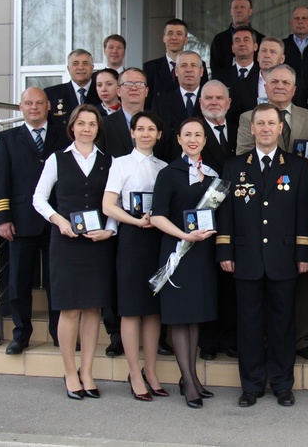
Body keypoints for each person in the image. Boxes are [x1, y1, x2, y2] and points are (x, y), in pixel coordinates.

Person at [216, 103, 308, 408]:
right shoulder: (234, 166)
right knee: (249, 325)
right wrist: (224, 249)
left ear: (280, 128)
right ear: (252, 128)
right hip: (245, 257)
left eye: (272, 123)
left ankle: (282, 385)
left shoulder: (297, 166)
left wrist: (303, 252)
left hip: (284, 258)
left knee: (283, 325)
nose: (266, 128)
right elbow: (225, 213)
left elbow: (304, 213)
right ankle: (252, 385)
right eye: (261, 123)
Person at [32, 104, 115, 400]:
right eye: (81, 123)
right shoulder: (57, 159)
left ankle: (87, 371)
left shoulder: (109, 161)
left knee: (93, 309)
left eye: (92, 124)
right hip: (66, 243)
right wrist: (59, 220)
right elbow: (39, 198)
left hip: (97, 244)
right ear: (72, 127)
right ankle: (69, 372)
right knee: (69, 309)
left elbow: (115, 203)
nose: (86, 129)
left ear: (98, 128)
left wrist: (110, 229)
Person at [150, 117, 220, 408]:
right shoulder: (168, 173)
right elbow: (157, 216)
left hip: (202, 254)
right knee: (180, 317)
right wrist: (184, 235)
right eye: (187, 134)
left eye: (198, 135)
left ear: (205, 140)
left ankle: (190, 377)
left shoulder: (212, 175)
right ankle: (189, 382)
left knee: (194, 316)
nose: (193, 139)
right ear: (178, 139)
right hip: (178, 251)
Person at [0, 87, 66, 355]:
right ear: (21, 107)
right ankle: (21, 334)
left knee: (56, 279)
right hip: (21, 221)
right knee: (19, 280)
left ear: (48, 106)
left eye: (39, 103)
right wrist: (2, 218)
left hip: (57, 218)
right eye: (28, 103)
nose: (34, 107)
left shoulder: (63, 135)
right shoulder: (8, 138)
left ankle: (59, 333)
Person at [101, 111, 168, 402]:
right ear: (132, 133)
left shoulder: (164, 167)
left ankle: (150, 371)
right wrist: (135, 221)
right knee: (130, 309)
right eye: (140, 129)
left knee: (153, 309)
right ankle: (134, 373)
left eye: (151, 129)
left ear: (159, 135)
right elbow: (108, 205)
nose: (145, 134)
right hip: (132, 238)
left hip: (158, 239)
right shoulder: (120, 164)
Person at [196, 81, 239, 361]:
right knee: (207, 281)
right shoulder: (192, 131)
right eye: (208, 98)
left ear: (228, 102)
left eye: (219, 98)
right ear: (200, 102)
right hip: (204, 217)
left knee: (230, 281)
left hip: (237, 215)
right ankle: (208, 341)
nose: (214, 102)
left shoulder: (240, 128)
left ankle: (229, 338)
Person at [235, 64, 308, 156]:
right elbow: (244, 156)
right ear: (265, 88)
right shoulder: (249, 118)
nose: (280, 86)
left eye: (285, 82)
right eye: (274, 82)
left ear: (294, 90)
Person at [143, 19, 209, 109]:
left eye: (179, 34)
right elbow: (147, 103)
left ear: (186, 39)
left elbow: (204, 95)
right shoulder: (150, 68)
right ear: (164, 38)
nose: (174, 38)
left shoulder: (199, 66)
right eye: (170, 33)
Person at [210, 0, 265, 79]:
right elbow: (215, 70)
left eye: (242, 7)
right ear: (231, 11)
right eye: (235, 7)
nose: (238, 10)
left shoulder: (261, 39)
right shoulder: (219, 40)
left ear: (250, 12)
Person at [45, 49, 100, 131]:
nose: (80, 67)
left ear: (92, 67)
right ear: (68, 68)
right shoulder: (51, 94)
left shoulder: (102, 93)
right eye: (75, 63)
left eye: (85, 63)